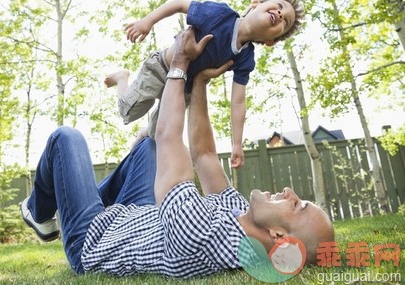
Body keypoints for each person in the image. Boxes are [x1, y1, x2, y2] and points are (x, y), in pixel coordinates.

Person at [21, 28, 333, 278]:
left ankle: (39, 212)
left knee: (66, 138)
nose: (291, 192)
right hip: (136, 217)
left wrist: (180, 63)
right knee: (148, 147)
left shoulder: (202, 238)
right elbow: (205, 155)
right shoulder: (240, 216)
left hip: (93, 240)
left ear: (278, 235)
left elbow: (170, 135)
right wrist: (199, 81)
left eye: (299, 206)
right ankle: (80, 198)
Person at [105, 0, 305, 169]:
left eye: (284, 22)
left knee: (159, 137)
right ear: (255, 4)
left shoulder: (245, 58)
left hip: (183, 90)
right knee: (128, 112)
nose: (280, 15)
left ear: (270, 41)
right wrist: (147, 22)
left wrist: (237, 144)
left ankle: (144, 135)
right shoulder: (221, 14)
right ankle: (122, 78)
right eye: (279, 7)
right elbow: (179, 5)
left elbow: (238, 102)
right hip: (160, 69)